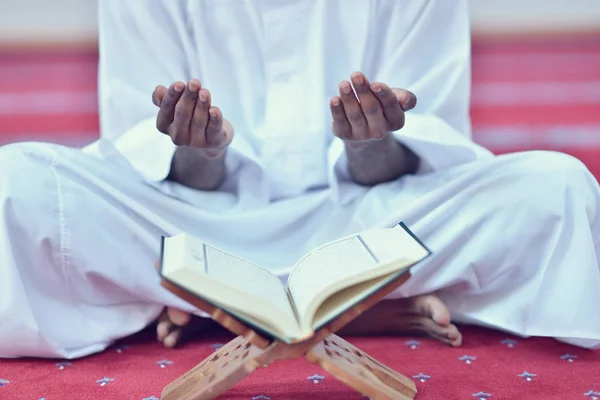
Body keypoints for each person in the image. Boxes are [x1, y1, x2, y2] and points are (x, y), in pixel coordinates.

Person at [1, 0, 599, 359]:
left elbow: (424, 156)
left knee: (558, 189)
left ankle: (206, 307)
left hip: (378, 224)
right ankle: (362, 306)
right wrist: (200, 152)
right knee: (15, 184)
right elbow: (152, 169)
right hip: (198, 227)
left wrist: (370, 143)